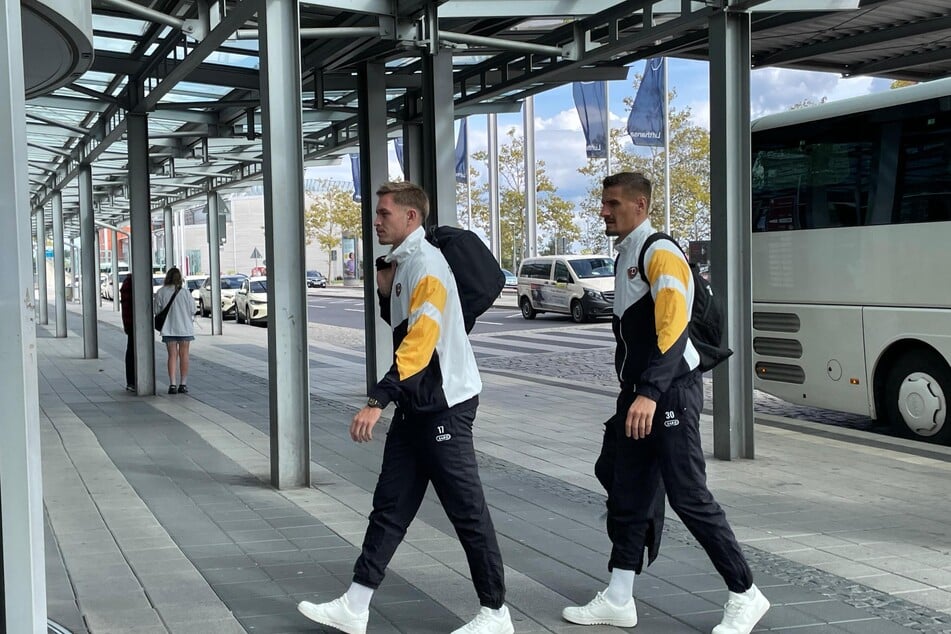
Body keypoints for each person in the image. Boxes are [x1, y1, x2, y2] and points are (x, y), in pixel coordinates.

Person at [297, 182, 513, 634]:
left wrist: (378, 399)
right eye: (376, 213)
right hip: (420, 403)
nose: (376, 221)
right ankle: (355, 606)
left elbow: (421, 342)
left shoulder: (428, 266)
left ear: (411, 218)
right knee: (390, 506)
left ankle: (496, 613)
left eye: (384, 213)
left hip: (445, 406)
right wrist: (382, 294)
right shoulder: (403, 264)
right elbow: (404, 327)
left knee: (467, 510)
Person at [562, 172, 769, 634]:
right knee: (628, 491)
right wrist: (637, 394)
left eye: (613, 204)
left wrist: (651, 393)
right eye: (603, 203)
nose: (604, 212)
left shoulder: (660, 252)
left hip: (669, 392)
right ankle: (618, 597)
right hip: (642, 395)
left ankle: (745, 593)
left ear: (640, 205)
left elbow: (672, 329)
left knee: (689, 496)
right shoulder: (628, 255)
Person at [153, 267, 195, 395]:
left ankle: (172, 384)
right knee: (184, 355)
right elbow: (193, 310)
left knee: (172, 356)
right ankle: (183, 384)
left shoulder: (161, 292)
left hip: (169, 329)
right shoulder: (186, 293)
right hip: (185, 329)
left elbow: (156, 311)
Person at [119, 274, 135, 392]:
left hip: (129, 323)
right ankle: (133, 380)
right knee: (133, 352)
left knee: (130, 351)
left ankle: (131, 381)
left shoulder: (126, 284)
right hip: (135, 323)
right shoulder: (133, 284)